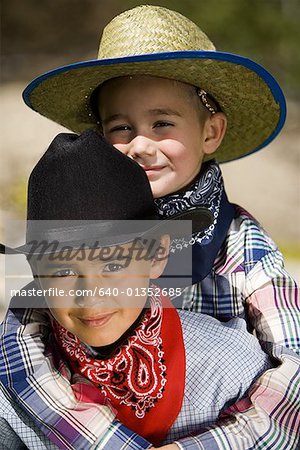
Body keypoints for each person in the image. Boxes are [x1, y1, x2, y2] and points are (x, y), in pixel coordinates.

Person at [2, 4, 299, 449]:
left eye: (162, 123)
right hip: (92, 419)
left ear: (211, 132)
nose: (140, 145)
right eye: (120, 128)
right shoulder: (81, 220)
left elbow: (292, 364)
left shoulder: (239, 241)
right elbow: (23, 339)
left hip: (211, 420)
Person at [0, 130, 273, 450]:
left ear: (157, 255)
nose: (90, 294)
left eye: (113, 266)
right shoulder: (9, 391)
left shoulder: (230, 365)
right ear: (37, 274)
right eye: (63, 271)